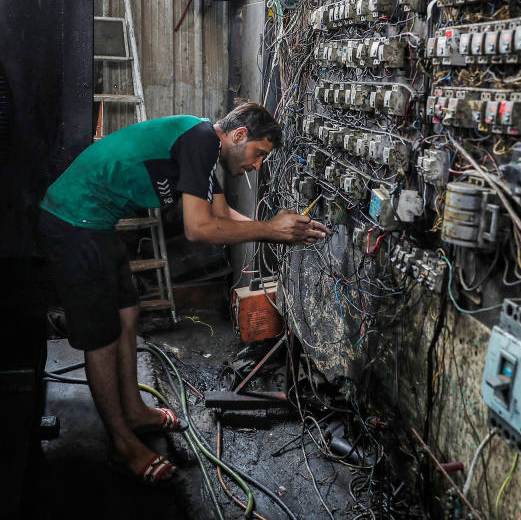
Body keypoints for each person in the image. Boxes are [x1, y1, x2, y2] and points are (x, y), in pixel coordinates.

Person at [38, 102, 329, 484]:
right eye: (259, 155)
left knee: (127, 313)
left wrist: (281, 229)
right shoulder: (201, 142)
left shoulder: (205, 148)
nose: (257, 166)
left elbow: (224, 217)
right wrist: (271, 230)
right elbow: (198, 228)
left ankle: (135, 410)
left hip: (96, 223)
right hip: (73, 220)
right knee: (101, 338)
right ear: (239, 136)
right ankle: (124, 443)